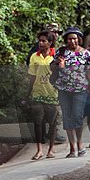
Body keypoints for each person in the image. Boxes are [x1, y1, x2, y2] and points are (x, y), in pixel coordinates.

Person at [50, 27, 90, 158]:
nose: (72, 41)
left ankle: (80, 144)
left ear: (79, 40)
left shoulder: (86, 54)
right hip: (64, 90)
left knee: (77, 116)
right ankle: (72, 147)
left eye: (75, 39)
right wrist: (59, 64)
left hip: (80, 90)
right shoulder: (61, 52)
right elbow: (51, 67)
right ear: (66, 40)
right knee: (67, 117)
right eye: (70, 39)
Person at [25, 30, 59, 160]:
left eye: (44, 41)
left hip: (52, 93)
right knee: (38, 123)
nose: (41, 43)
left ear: (50, 42)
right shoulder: (34, 56)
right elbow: (32, 76)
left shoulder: (56, 56)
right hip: (37, 93)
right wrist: (28, 94)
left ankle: (50, 149)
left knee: (52, 123)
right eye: (39, 40)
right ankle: (39, 150)